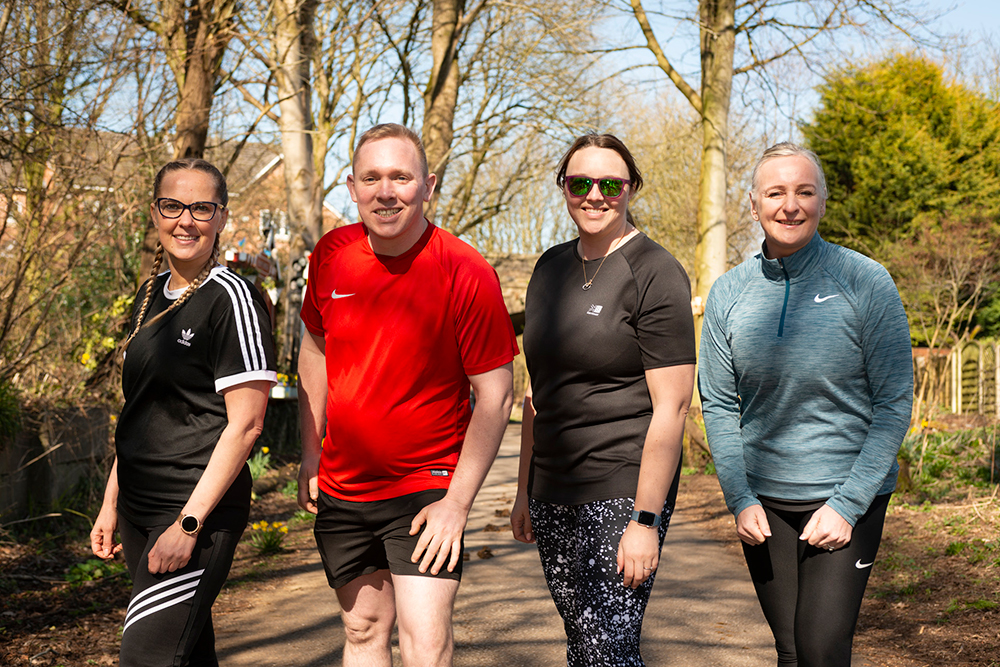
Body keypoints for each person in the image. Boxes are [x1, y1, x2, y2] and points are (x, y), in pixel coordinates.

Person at [296, 123, 517, 667]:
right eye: (371, 177)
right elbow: (314, 352)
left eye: (401, 177)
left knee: (424, 639)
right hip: (345, 488)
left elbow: (496, 395)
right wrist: (309, 453)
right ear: (351, 186)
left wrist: (457, 506)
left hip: (427, 488)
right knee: (363, 629)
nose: (385, 191)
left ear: (428, 185)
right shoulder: (330, 254)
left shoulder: (465, 270)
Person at [698, 142, 913, 667]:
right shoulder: (729, 293)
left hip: (846, 498)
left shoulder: (865, 281)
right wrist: (739, 497)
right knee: (790, 652)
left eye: (804, 192)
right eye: (775, 192)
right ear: (753, 205)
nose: (789, 205)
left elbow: (893, 402)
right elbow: (720, 404)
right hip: (764, 503)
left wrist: (847, 504)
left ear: (821, 202)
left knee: (820, 651)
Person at [511, 133, 696, 667]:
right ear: (564, 188)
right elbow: (536, 391)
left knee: (605, 651)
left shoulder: (656, 272)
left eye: (611, 183)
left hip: (620, 487)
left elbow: (672, 407)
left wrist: (644, 519)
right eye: (580, 182)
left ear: (631, 188)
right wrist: (525, 490)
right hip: (552, 490)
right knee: (583, 643)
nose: (595, 194)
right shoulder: (548, 270)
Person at [90, 158, 277, 666]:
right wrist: (112, 502)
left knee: (146, 657)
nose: (185, 220)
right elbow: (140, 409)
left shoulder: (234, 298)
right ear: (155, 213)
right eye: (173, 206)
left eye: (201, 208)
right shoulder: (147, 297)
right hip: (137, 507)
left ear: (220, 217)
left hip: (194, 510)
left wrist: (189, 524)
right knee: (188, 654)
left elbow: (246, 424)